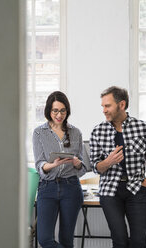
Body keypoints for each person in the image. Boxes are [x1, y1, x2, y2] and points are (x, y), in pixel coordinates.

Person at [89, 86, 146, 248]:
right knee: (119, 241)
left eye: (107, 106)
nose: (104, 110)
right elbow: (95, 166)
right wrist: (108, 162)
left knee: (138, 242)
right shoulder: (97, 131)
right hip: (110, 192)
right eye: (103, 106)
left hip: (137, 190)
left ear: (121, 105)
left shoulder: (143, 127)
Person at [32, 91, 87, 248]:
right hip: (47, 188)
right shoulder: (39, 133)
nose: (59, 114)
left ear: (67, 111)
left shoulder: (75, 132)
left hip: (71, 187)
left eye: (63, 110)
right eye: (55, 110)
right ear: (49, 110)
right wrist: (53, 164)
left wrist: (77, 163)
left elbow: (82, 167)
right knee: (44, 239)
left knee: (66, 240)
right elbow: (39, 164)